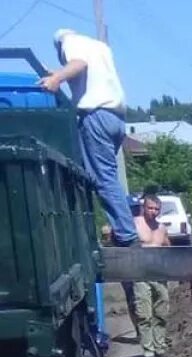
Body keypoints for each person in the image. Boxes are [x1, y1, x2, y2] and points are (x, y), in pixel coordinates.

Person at [38, 28, 137, 247]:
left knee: (103, 179)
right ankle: (121, 231)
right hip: (116, 118)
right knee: (98, 177)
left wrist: (56, 78)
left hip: (96, 116)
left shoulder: (69, 43)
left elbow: (79, 64)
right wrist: (57, 73)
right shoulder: (98, 47)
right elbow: (88, 74)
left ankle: (127, 236)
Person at [132, 194, 171, 357]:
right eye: (150, 208)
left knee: (161, 312)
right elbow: (120, 241)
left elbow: (169, 248)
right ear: (144, 207)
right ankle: (148, 352)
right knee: (144, 314)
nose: (153, 212)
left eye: (156, 209)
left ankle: (160, 347)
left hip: (159, 275)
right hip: (140, 274)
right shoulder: (135, 224)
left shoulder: (161, 228)